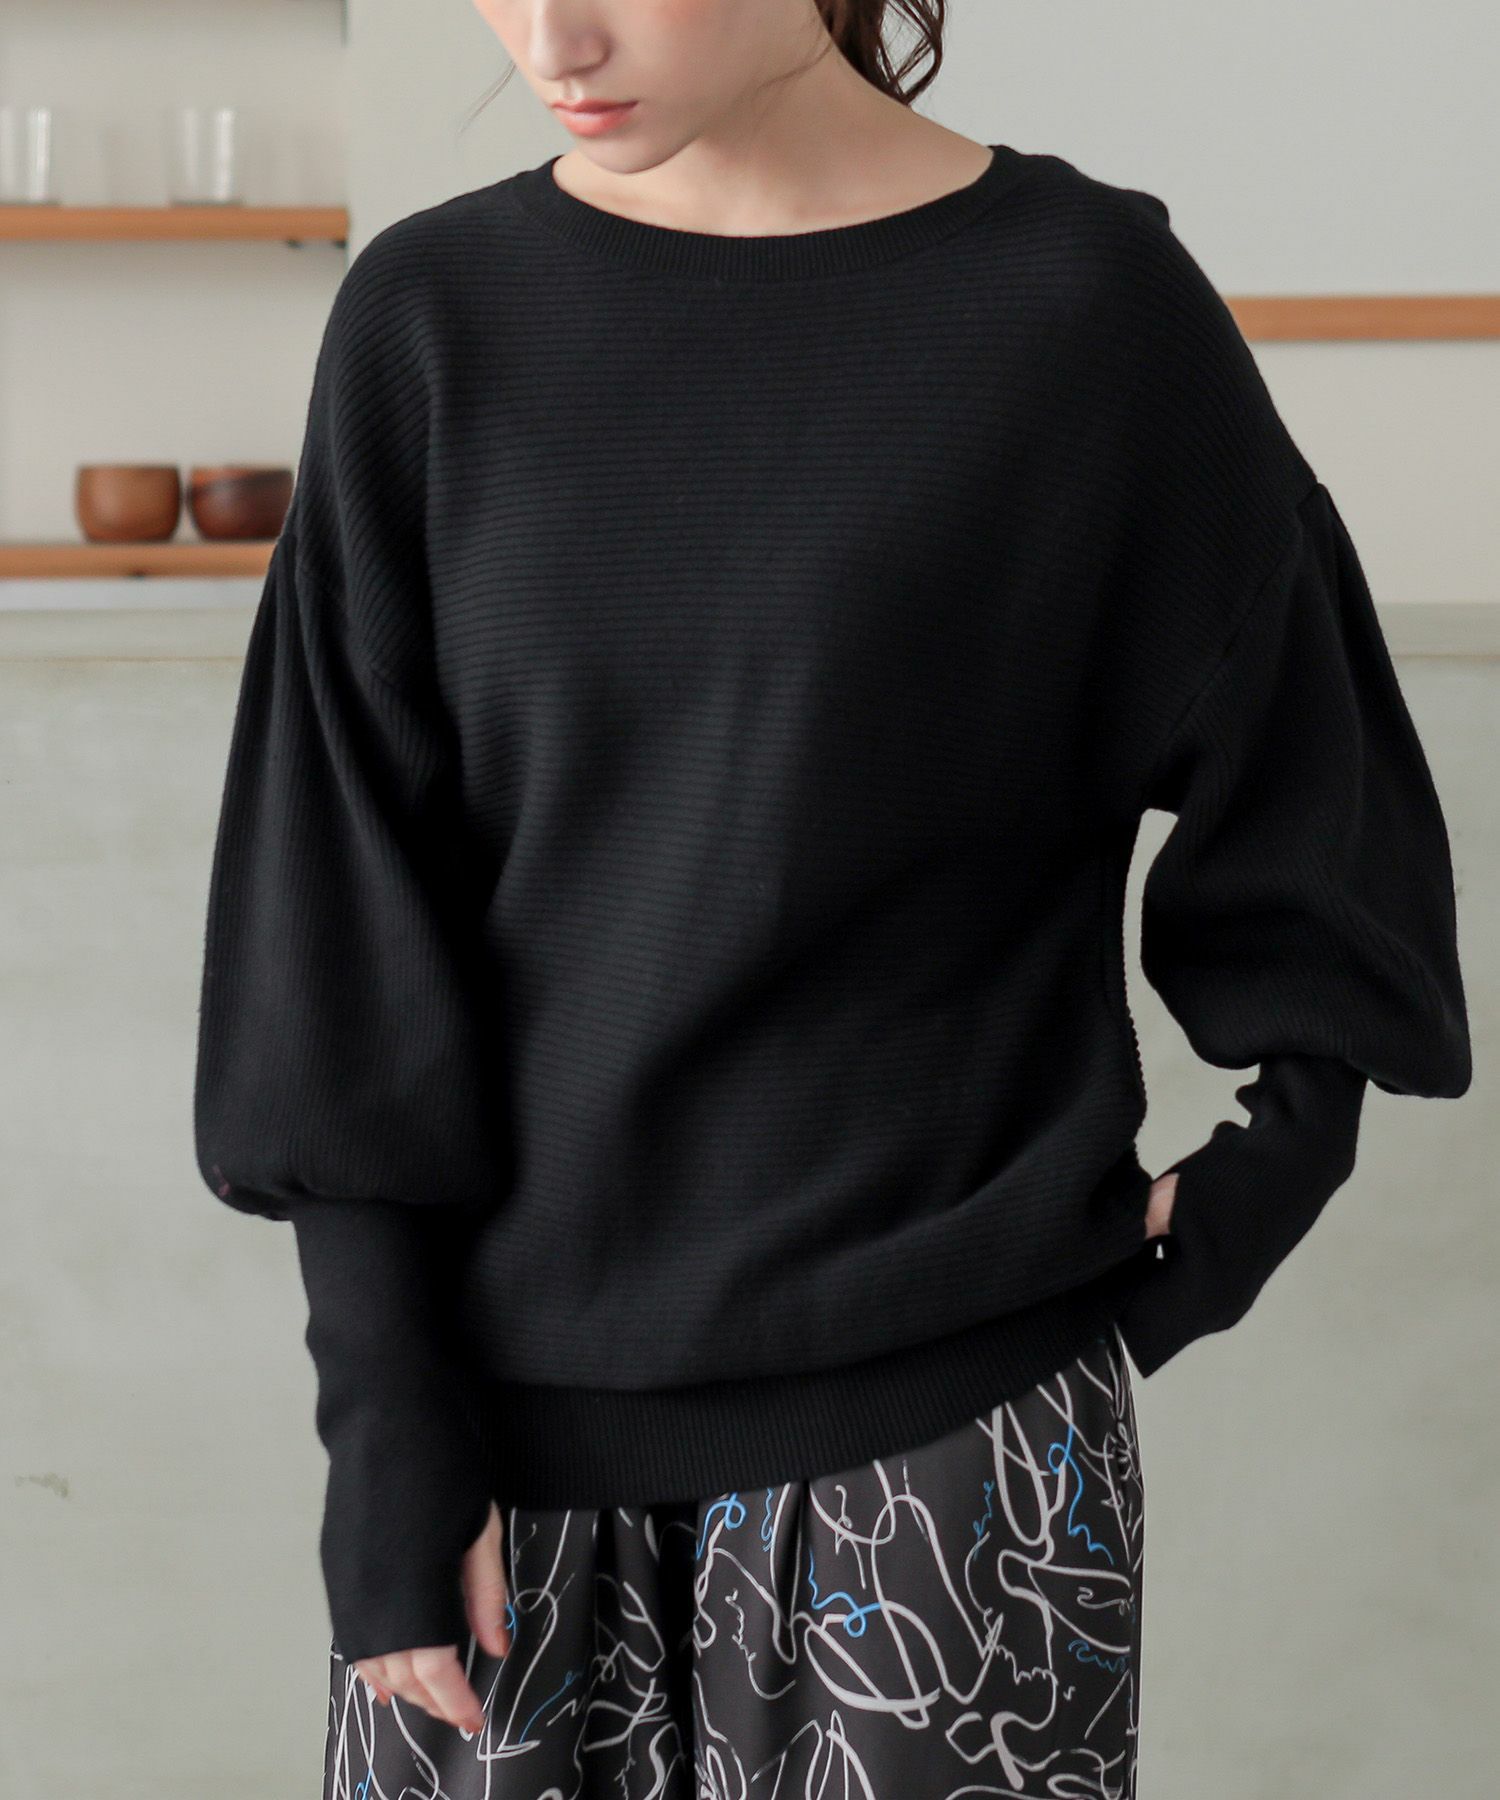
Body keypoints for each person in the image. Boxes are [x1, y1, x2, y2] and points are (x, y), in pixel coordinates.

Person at [191, 2, 1472, 1795]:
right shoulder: (431, 319)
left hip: (957, 1457)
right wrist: (385, 1427)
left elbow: (1305, 765)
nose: (551, 35)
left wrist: (1276, 1166)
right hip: (491, 1474)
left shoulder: (1084, 310)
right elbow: (339, 911)